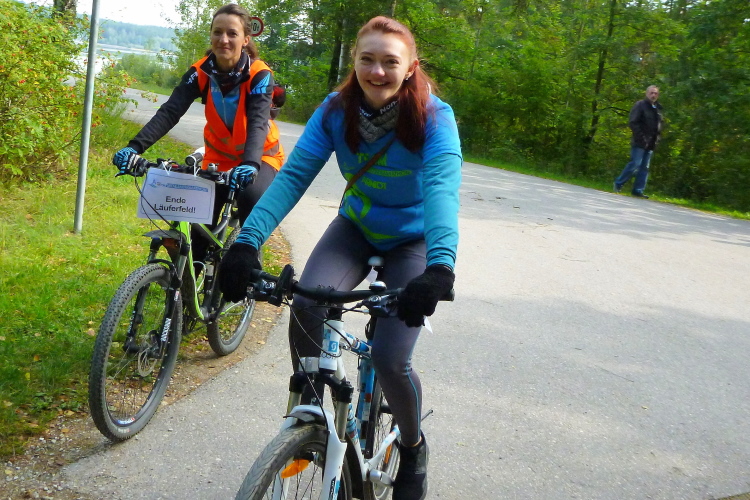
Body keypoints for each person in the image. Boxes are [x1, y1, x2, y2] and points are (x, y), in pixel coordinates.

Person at [219, 16, 461, 500]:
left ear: (411, 67)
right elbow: (292, 178)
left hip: (413, 240)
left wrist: (440, 266)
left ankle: (412, 447)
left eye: (390, 61)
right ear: (355, 61)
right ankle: (310, 421)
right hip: (356, 228)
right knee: (308, 304)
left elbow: (440, 190)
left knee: (391, 358)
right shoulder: (336, 109)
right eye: (367, 59)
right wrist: (246, 243)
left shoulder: (435, 118)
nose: (377, 71)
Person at [112, 3, 284, 262]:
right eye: (217, 32)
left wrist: (250, 164)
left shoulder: (259, 74)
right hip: (218, 159)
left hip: (260, 158)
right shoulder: (201, 71)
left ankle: (249, 260)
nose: (223, 39)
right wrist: (134, 147)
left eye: (232, 33)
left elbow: (259, 122)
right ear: (211, 35)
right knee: (195, 229)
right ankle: (189, 278)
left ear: (245, 39)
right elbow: (170, 111)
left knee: (250, 196)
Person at [613, 85, 664, 198]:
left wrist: (657, 140)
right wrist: (641, 138)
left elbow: (659, 127)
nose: (653, 95)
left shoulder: (658, 109)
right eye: (651, 93)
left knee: (645, 167)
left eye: (655, 93)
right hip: (639, 142)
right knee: (635, 164)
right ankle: (618, 183)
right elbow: (633, 122)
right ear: (646, 93)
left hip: (651, 143)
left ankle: (638, 190)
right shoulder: (640, 105)